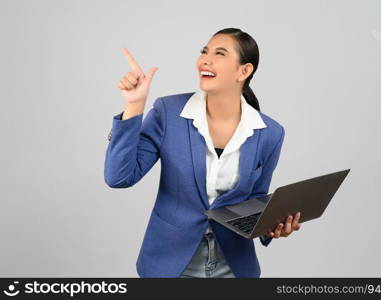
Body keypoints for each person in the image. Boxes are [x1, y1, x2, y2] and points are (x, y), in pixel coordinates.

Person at [104, 28, 301, 278]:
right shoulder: (169, 113)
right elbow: (118, 177)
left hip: (234, 266)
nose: (205, 59)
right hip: (169, 264)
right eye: (204, 52)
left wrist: (272, 226)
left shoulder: (270, 133)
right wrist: (134, 105)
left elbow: (255, 200)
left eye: (219, 53)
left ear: (244, 71)